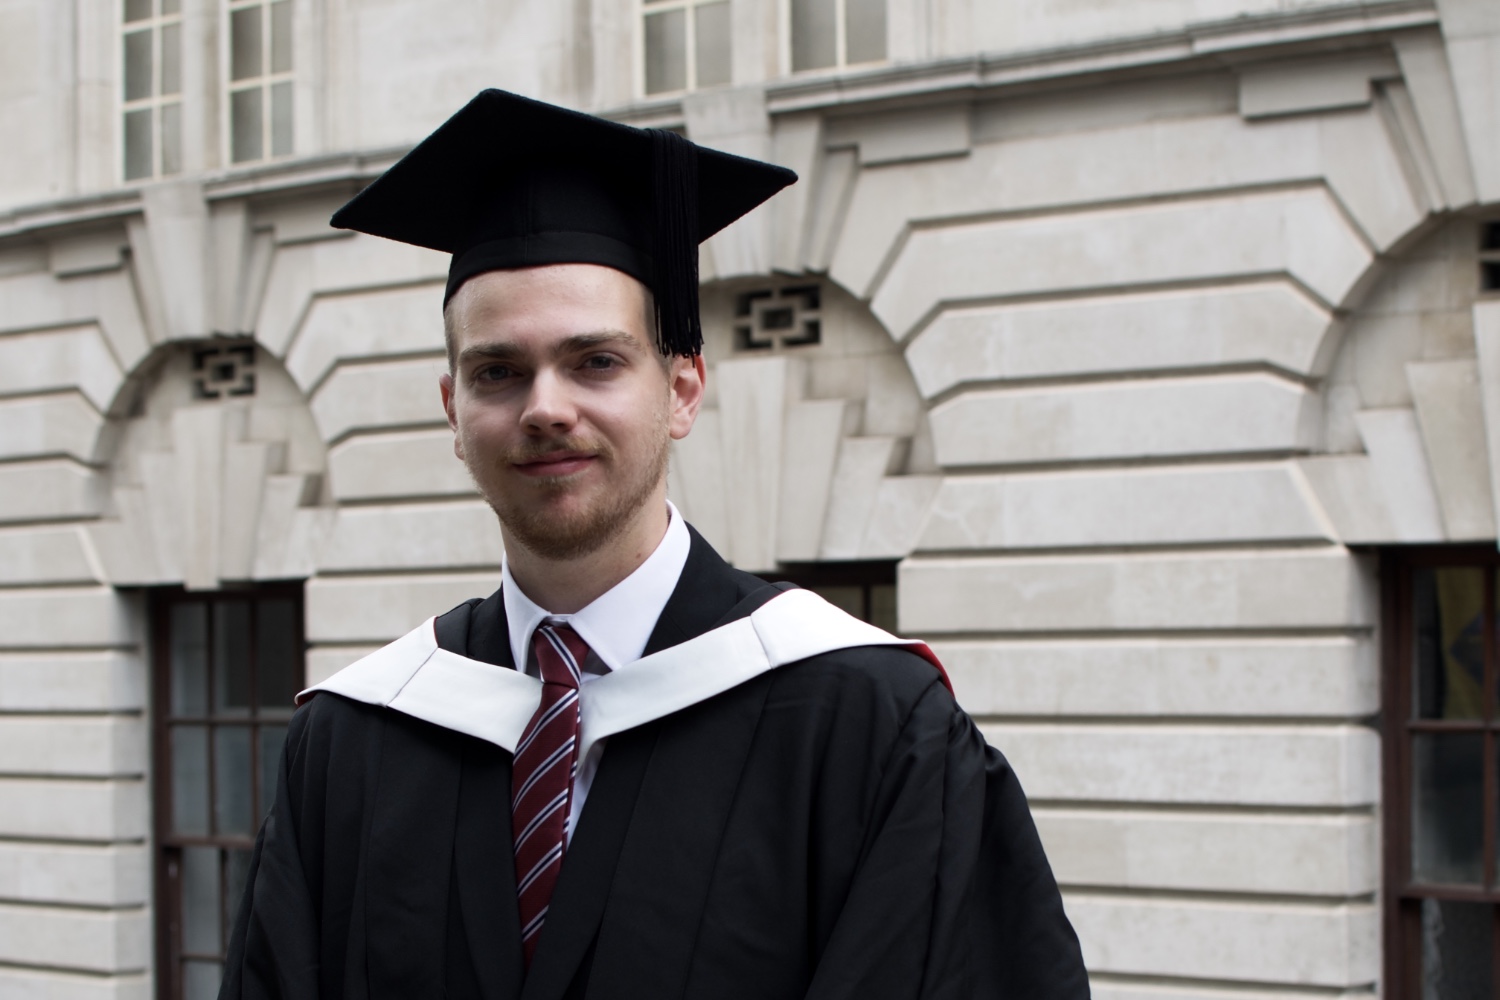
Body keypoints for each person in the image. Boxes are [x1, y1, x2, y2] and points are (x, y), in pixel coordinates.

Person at [219, 89, 1089, 1000]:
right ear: (454, 411)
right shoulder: (352, 743)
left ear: (681, 390)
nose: (546, 407)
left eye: (595, 361)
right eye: (498, 372)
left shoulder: (869, 723)